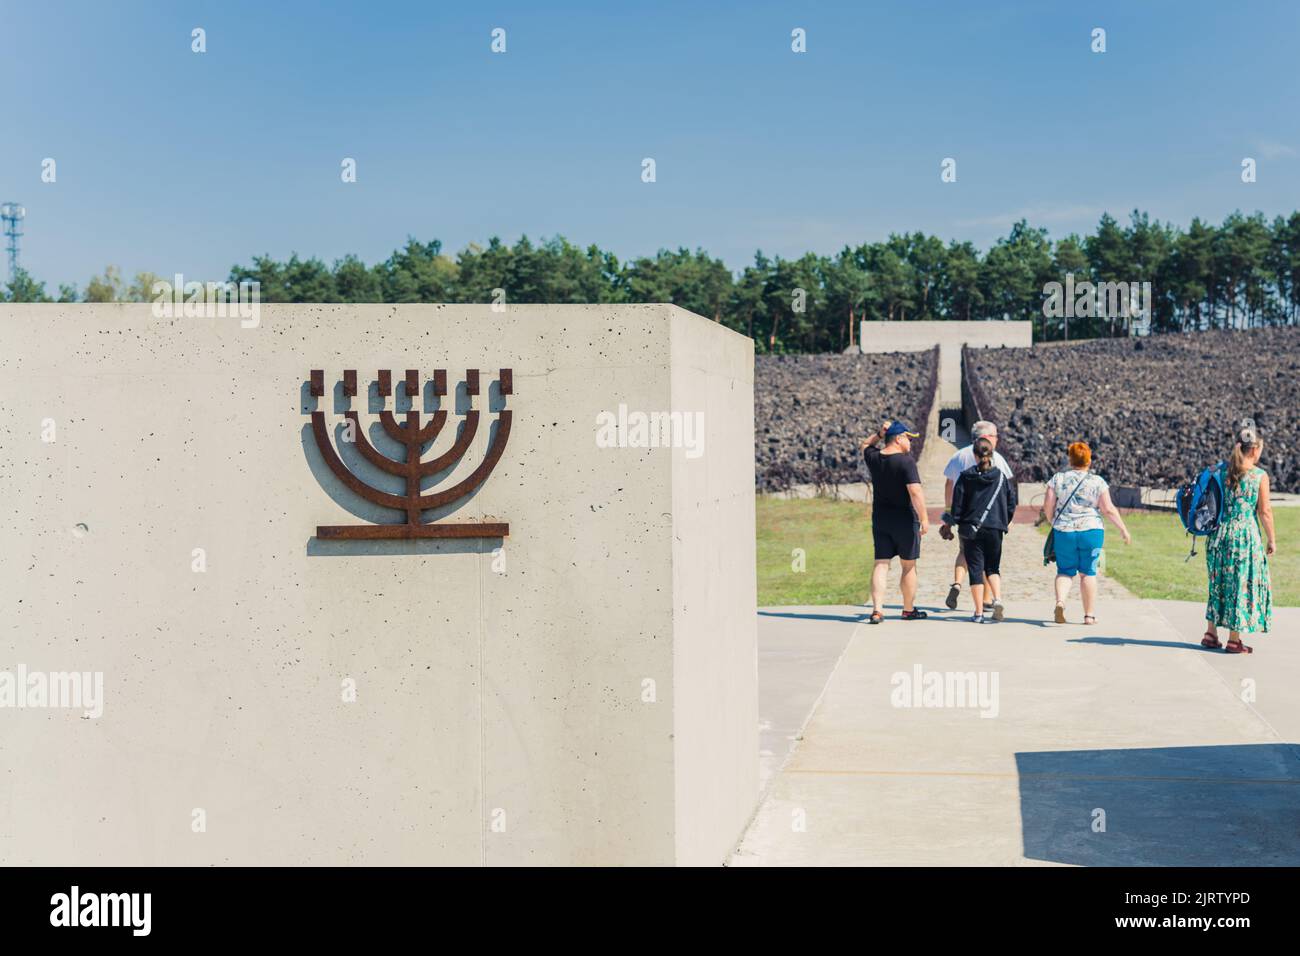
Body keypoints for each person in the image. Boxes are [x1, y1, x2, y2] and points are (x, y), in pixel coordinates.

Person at [1202, 420, 1275, 654]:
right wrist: (1272, 539)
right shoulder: (1258, 475)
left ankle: (1210, 633)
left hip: (1218, 534)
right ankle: (1234, 639)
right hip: (1244, 536)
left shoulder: (1219, 471)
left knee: (1217, 582)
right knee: (1239, 584)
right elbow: (1264, 512)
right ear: (1254, 450)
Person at [1041, 441, 1130, 625]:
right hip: (1092, 531)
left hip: (1064, 530)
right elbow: (1108, 509)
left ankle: (1060, 602)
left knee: (1064, 571)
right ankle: (1089, 616)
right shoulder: (1098, 481)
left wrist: (1053, 521)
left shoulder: (1057, 479)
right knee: (1088, 573)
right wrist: (1123, 529)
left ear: (1070, 459)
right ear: (1089, 461)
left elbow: (1048, 504)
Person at [859, 420, 929, 623]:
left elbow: (865, 445)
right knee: (908, 566)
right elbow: (915, 491)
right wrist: (924, 517)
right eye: (908, 438)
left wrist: (879, 434)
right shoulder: (906, 462)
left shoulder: (874, 457)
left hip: (881, 519)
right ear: (898, 439)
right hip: (905, 520)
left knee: (881, 564)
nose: (910, 442)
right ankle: (908, 610)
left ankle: (877, 610)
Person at [941, 420, 1014, 610]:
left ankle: (957, 583)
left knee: (965, 552)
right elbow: (1008, 491)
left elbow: (949, 486)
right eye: (995, 436)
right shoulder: (996, 458)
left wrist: (949, 516)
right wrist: (1006, 518)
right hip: (992, 519)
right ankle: (987, 599)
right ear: (986, 438)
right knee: (988, 563)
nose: (997, 440)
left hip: (967, 519)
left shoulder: (958, 456)